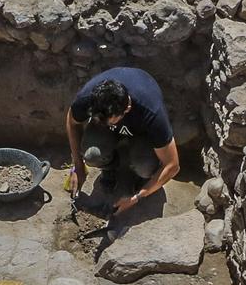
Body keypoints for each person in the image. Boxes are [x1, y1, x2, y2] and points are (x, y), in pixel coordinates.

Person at [64, 68, 181, 215]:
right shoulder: (89, 99)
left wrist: (138, 196)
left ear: (127, 108)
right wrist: (78, 167)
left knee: (144, 167)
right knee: (91, 155)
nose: (102, 123)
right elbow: (72, 121)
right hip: (116, 127)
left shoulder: (151, 112)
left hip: (142, 134)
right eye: (98, 119)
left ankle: (140, 178)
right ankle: (109, 168)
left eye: (109, 121)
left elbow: (172, 165)